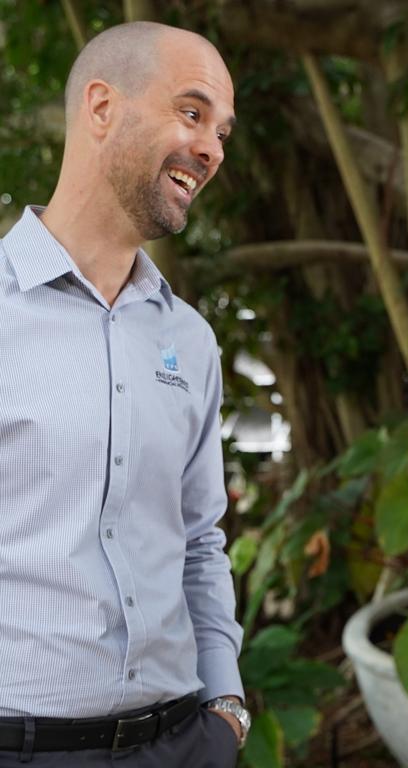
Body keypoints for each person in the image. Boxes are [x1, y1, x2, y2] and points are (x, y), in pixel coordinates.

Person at [0, 21, 249, 766]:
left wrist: (226, 710)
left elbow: (201, 540)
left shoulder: (193, 342)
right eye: (193, 112)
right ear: (102, 108)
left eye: (223, 132)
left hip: (183, 741)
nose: (212, 150)